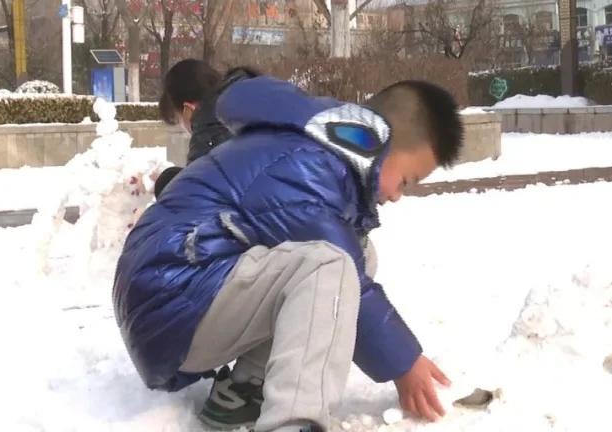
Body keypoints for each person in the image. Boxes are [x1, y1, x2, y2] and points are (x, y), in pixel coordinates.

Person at [114, 76, 464, 432]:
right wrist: (404, 363)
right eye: (405, 180)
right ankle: (294, 421)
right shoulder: (306, 168)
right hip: (172, 298)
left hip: (183, 290)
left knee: (355, 254)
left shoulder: (308, 151)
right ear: (376, 142)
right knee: (329, 265)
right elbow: (347, 286)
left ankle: (246, 390)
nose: (397, 196)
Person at [154, 60, 258, 196]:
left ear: (187, 109)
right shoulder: (246, 103)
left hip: (261, 212)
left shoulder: (209, 133)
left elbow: (197, 199)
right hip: (286, 202)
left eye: (178, 119)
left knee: (167, 184)